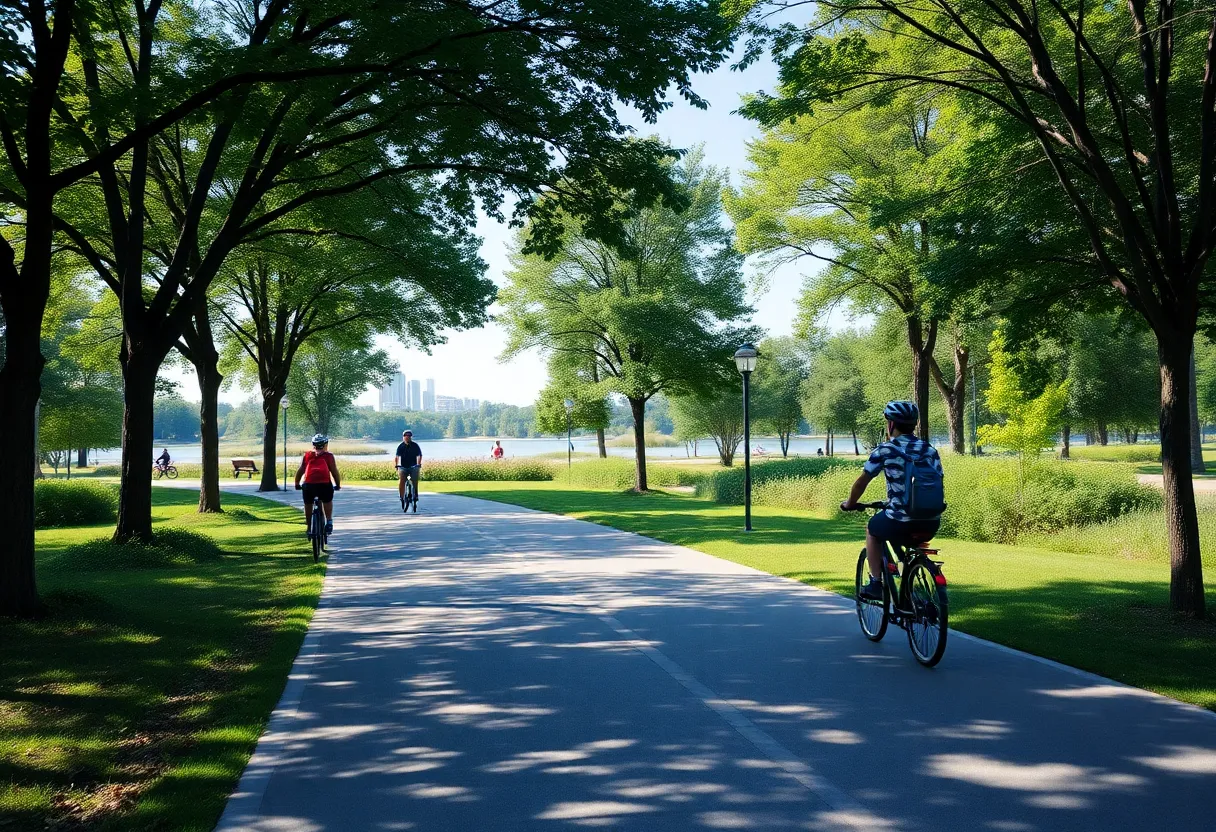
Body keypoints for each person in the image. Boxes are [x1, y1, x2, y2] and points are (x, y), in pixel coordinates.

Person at [841, 401, 944, 601]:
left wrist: (850, 503)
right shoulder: (929, 450)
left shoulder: (885, 450)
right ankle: (917, 584)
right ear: (913, 425)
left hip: (899, 520)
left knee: (872, 529)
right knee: (910, 542)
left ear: (890, 425)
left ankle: (876, 583)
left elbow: (862, 482)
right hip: (931, 520)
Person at [295, 434, 341, 536]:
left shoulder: (307, 455)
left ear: (313, 445)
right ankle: (329, 521)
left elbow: (301, 470)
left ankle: (308, 527)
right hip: (324, 485)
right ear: (325, 444)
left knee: (308, 503)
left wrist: (297, 483)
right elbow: (334, 472)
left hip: (308, 486)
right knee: (327, 500)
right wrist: (337, 484)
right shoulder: (328, 456)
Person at [395, 429, 423, 513]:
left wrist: (418, 464)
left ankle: (415, 495)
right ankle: (402, 496)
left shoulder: (415, 446)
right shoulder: (401, 446)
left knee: (415, 480)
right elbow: (397, 457)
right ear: (403, 437)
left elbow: (419, 455)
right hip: (403, 467)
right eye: (406, 436)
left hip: (413, 466)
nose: (407, 438)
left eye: (409, 437)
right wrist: (397, 465)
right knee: (402, 481)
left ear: (411, 437)